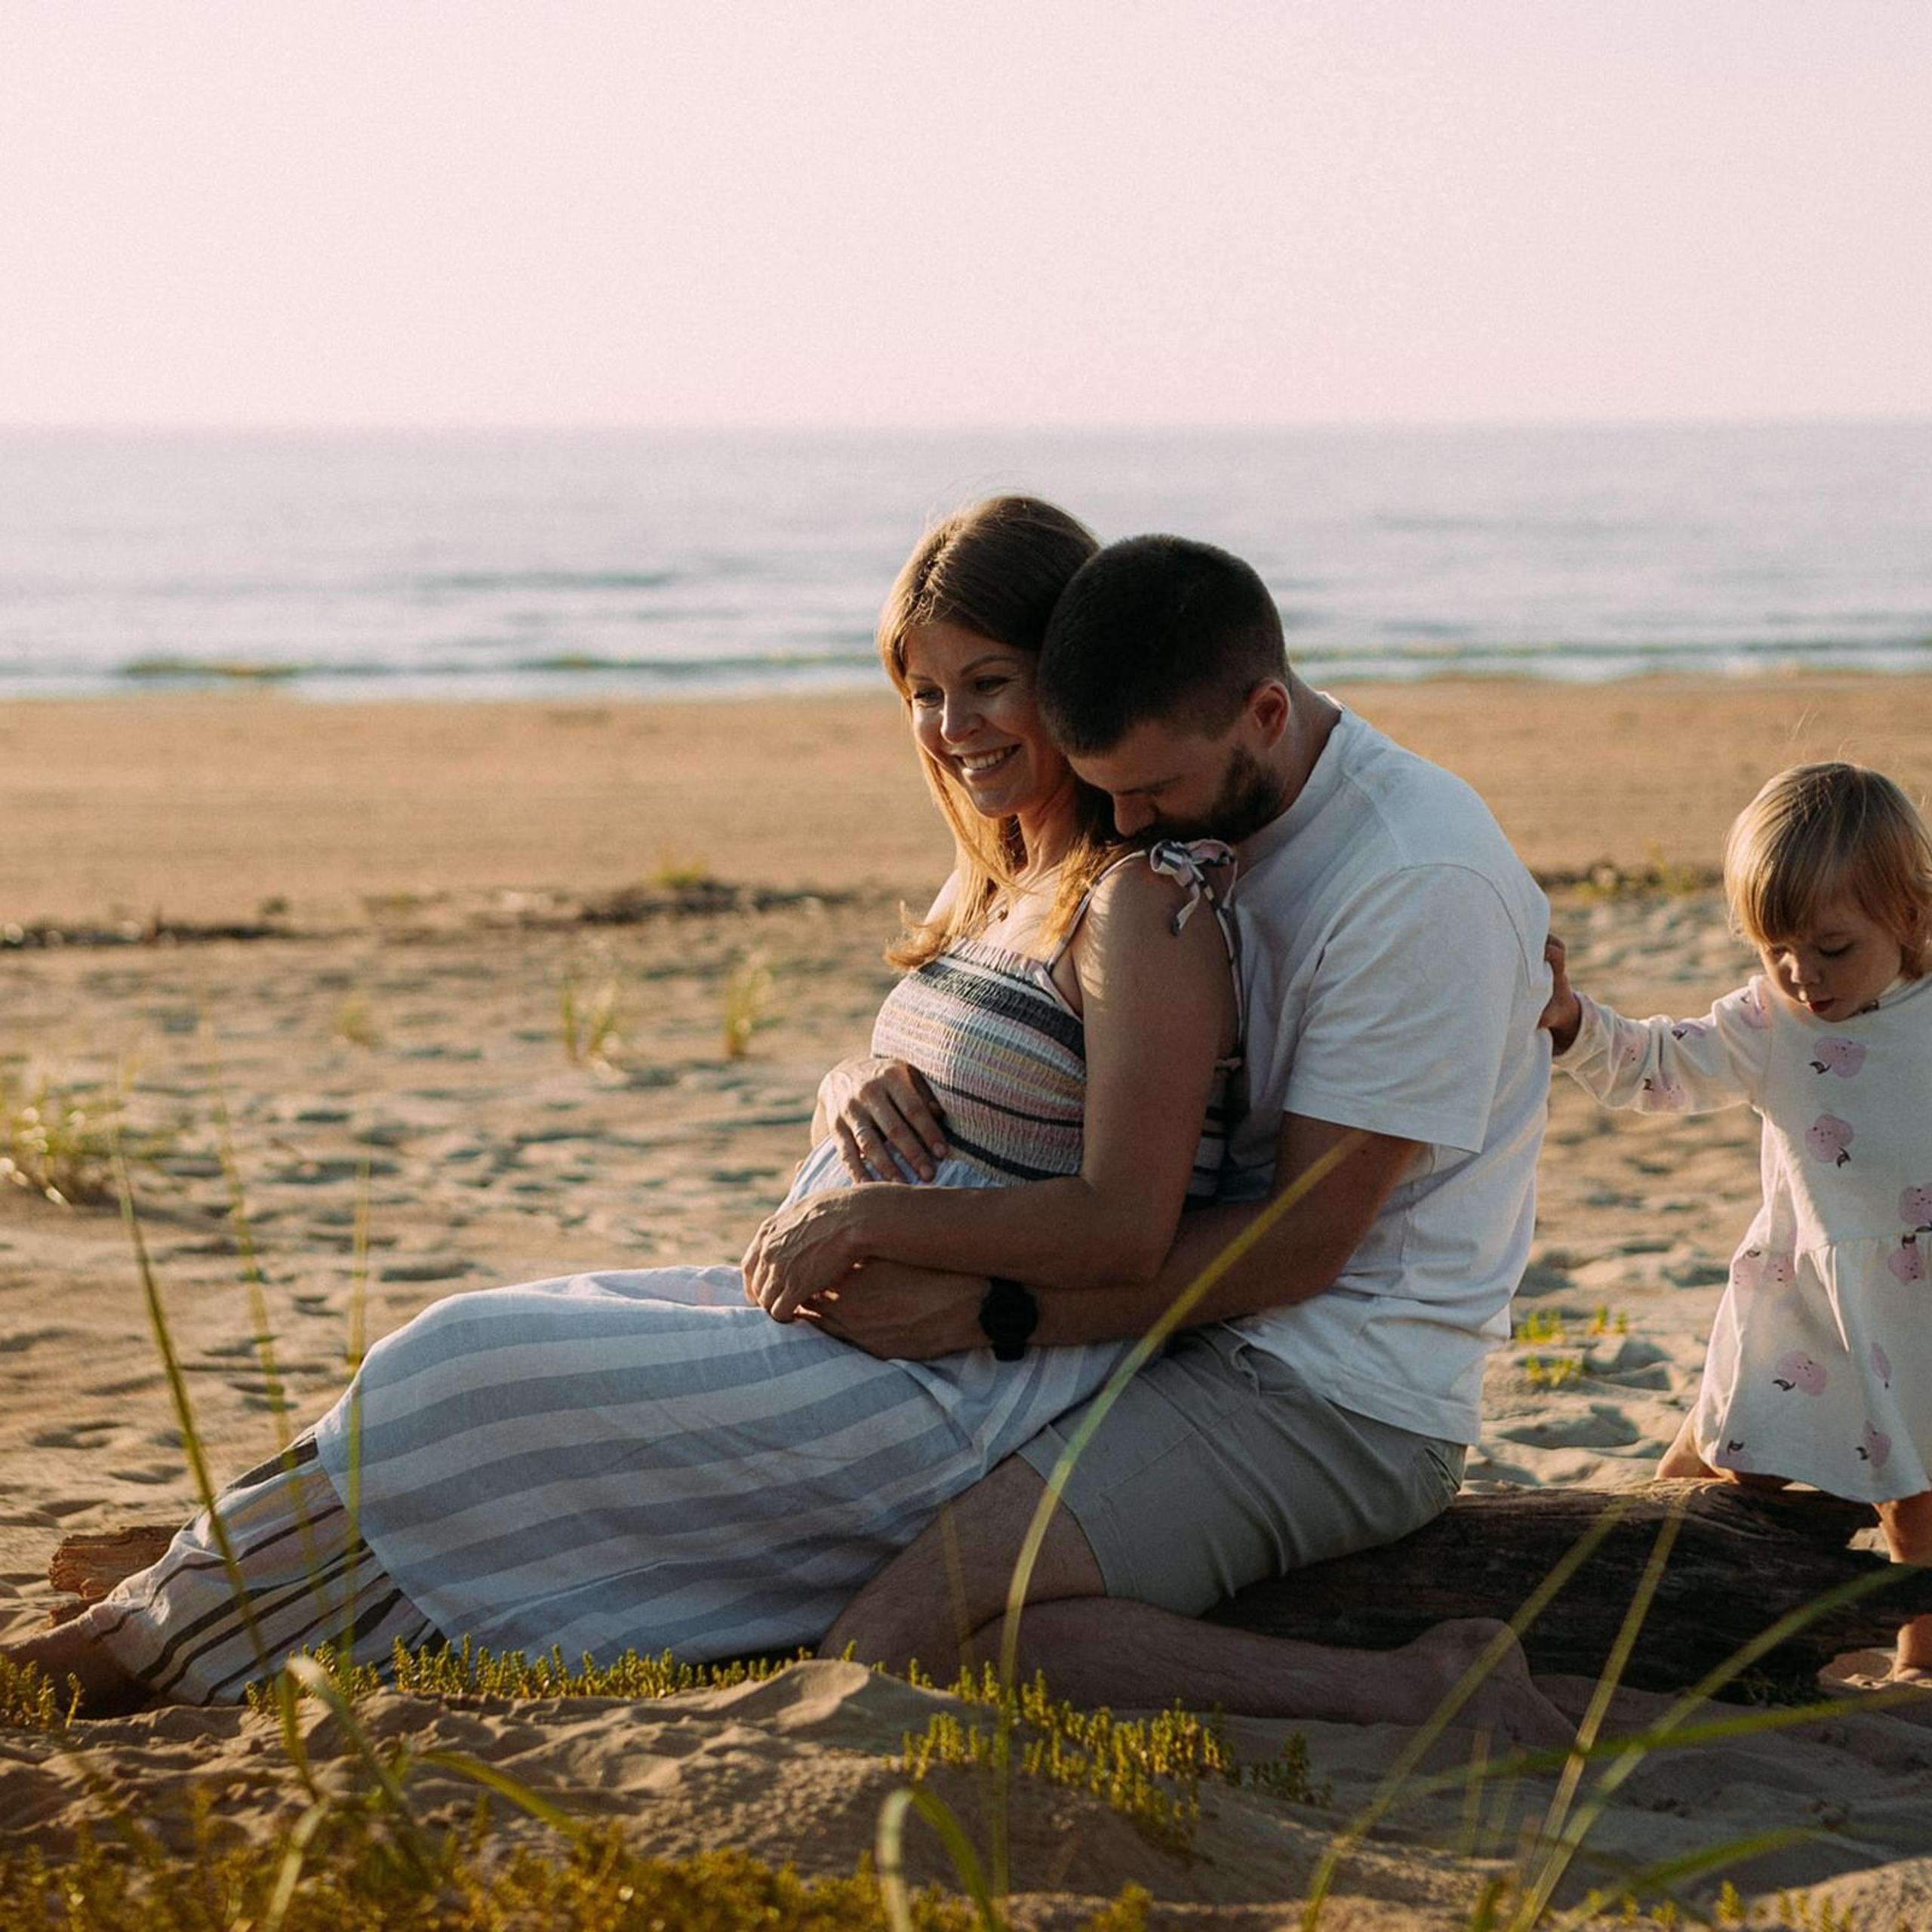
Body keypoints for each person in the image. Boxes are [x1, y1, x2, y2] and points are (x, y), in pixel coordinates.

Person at [4, 495, 1243, 1715]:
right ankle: (158, 1633)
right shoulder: (997, 871)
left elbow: (1125, 1223)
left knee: (457, 1369)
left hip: (954, 1387)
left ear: (1069, 677)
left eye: (990, 682)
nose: (951, 725)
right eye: (923, 692)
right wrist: (844, 1085)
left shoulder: (1136, 909)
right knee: (447, 1354)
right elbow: (963, 1099)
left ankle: (143, 1645)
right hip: (835, 1329)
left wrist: (867, 1226)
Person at [798, 534, 1568, 1743]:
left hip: (1332, 1382)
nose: (1124, 820)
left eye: (1150, 793)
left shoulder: (1415, 880)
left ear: (1265, 711)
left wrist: (996, 1314)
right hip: (1171, 1327)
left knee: (889, 1648)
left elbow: (1300, 1249)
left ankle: (1418, 1692)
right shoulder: (1195, 792)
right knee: (912, 1620)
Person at [1541, 761, 1932, 1679]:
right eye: (1774, 950)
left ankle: (1915, 1663)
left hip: (1915, 1314)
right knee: (1723, 1456)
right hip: (1810, 1301)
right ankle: (1609, 1580)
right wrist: (1571, 1024)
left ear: (1910, 916)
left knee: (1916, 1507)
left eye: (1832, 948)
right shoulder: (1771, 1022)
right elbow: (1658, 1063)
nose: (1801, 975)